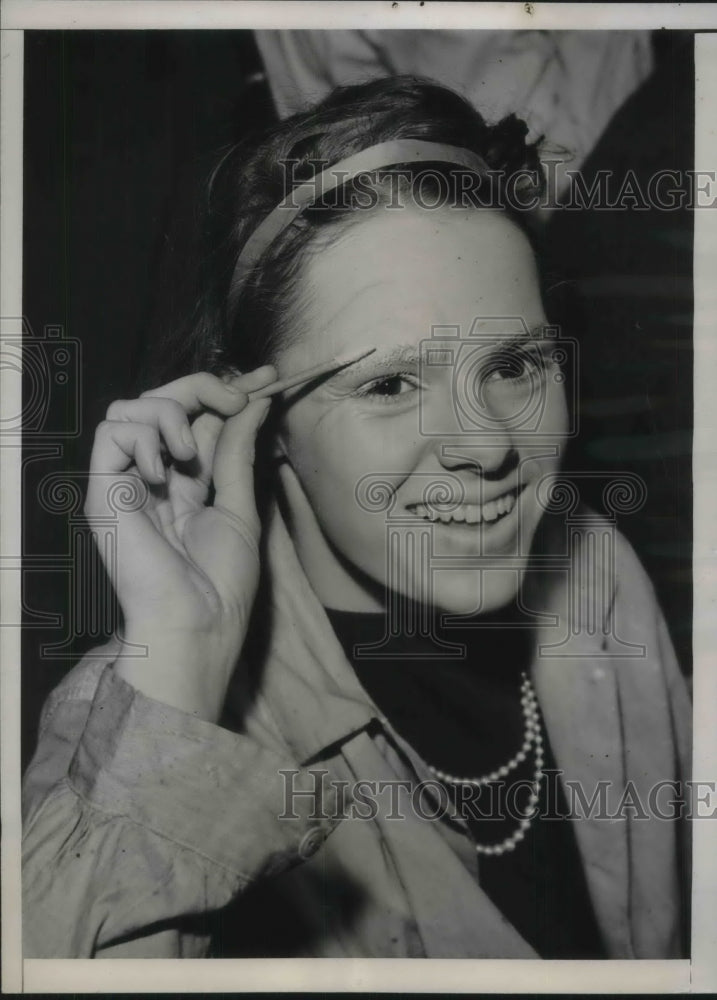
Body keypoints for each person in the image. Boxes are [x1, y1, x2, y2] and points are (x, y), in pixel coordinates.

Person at [22, 77, 691, 960]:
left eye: (515, 365)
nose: (483, 445)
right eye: (388, 384)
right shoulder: (146, 715)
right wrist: (182, 662)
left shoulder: (597, 581)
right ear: (255, 422)